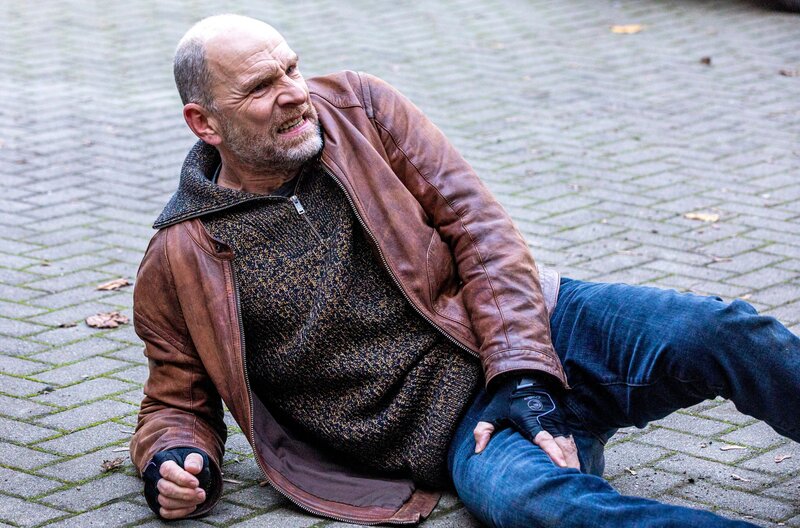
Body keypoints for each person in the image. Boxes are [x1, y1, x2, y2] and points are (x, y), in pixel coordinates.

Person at [130, 13, 800, 527]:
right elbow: (174, 402)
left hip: (537, 326)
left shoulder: (360, 109)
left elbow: (482, 232)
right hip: (460, 428)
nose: (294, 94)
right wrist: (176, 462)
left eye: (291, 69)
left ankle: (559, 409)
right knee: (543, 507)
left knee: (723, 331)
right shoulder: (180, 258)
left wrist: (521, 372)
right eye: (261, 87)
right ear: (204, 122)